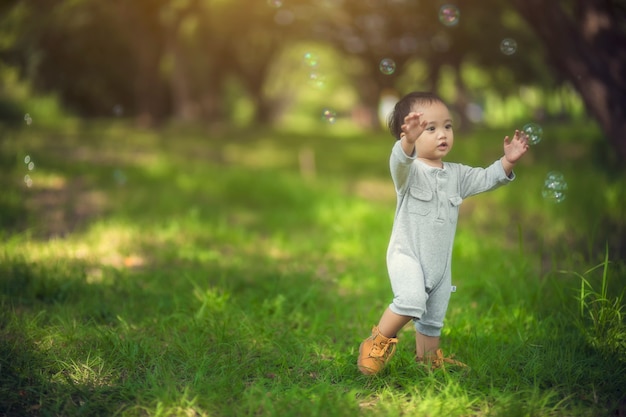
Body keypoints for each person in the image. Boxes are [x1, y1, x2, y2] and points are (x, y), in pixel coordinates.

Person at [357, 92, 529, 375]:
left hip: (440, 266)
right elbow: (398, 161)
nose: (442, 134)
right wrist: (407, 143)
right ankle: (376, 342)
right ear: (408, 133)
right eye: (430, 128)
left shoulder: (457, 175)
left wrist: (507, 161)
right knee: (411, 301)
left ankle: (428, 361)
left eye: (447, 126)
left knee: (433, 317)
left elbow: (487, 178)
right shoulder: (409, 173)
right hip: (408, 256)